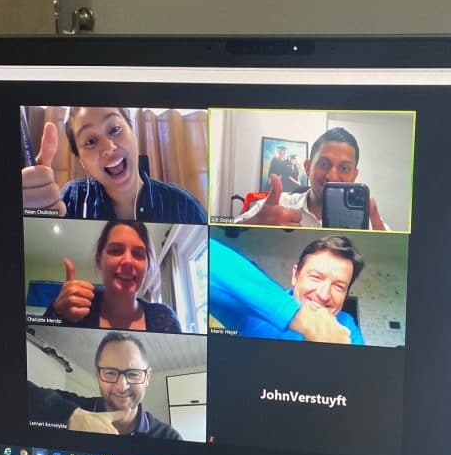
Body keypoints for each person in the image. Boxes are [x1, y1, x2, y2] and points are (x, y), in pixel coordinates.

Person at [22, 106, 206, 222]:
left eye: (115, 129)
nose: (108, 148)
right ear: (82, 162)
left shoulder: (184, 206)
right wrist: (32, 219)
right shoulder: (72, 199)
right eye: (90, 141)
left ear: (133, 132)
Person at [210, 235, 365, 344]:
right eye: (316, 277)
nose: (323, 295)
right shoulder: (253, 307)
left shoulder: (346, 325)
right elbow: (203, 255)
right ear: (295, 275)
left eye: (338, 287)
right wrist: (302, 318)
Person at [28, 331, 182, 439]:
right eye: (110, 373)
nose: (122, 386)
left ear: (147, 377)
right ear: (98, 376)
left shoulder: (170, 438)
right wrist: (70, 415)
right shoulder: (76, 408)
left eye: (133, 374)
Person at [44, 220, 181, 332]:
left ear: (147, 265)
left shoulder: (165, 319)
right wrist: (57, 313)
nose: (128, 261)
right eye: (116, 250)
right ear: (99, 260)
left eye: (138, 254)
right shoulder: (74, 307)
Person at [235, 127, 386, 229]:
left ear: (354, 175)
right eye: (324, 164)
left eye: (344, 168)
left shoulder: (368, 222)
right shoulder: (277, 206)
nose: (332, 176)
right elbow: (222, 238)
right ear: (307, 168)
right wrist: (255, 224)